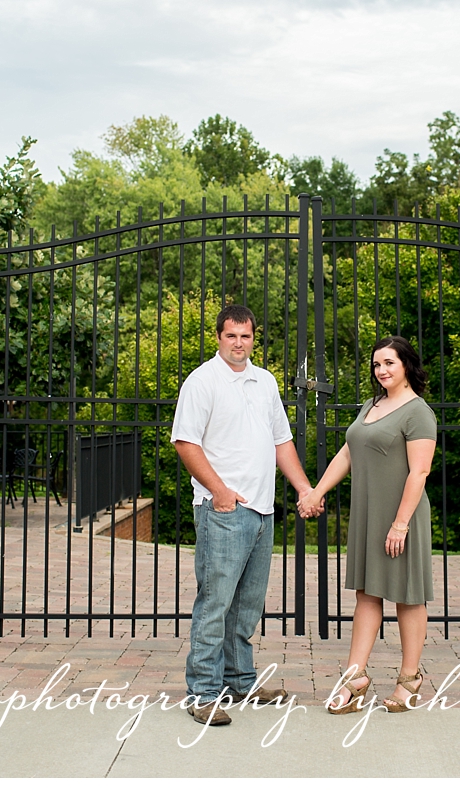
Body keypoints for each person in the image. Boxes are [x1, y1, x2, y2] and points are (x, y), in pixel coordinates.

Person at [171, 303, 315, 726]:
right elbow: (185, 442)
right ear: (218, 337)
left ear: (255, 338)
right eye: (231, 335)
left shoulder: (265, 382)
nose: (239, 343)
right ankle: (203, 692)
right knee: (215, 603)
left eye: (246, 336)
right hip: (224, 511)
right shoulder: (202, 382)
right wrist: (220, 492)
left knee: (247, 605)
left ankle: (239, 679)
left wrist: (304, 488)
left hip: (262, 510)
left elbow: (281, 443)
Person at [300, 335, 439, 715]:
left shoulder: (418, 412)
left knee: (408, 597)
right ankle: (355, 678)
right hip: (368, 513)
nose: (382, 371)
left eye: (389, 363)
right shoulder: (371, 405)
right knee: (366, 595)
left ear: (407, 365)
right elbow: (348, 452)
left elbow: (420, 470)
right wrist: (316, 492)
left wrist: (400, 524)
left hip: (401, 516)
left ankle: (409, 678)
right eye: (377, 364)